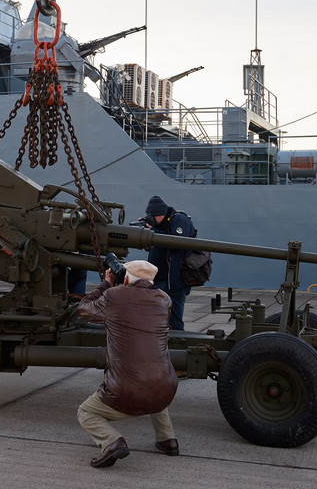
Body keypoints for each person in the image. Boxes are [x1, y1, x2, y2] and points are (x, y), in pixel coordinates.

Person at [77, 259, 179, 468]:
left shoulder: (115, 295)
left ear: (125, 278)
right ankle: (168, 440)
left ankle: (112, 442)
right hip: (167, 387)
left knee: (85, 412)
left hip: (125, 390)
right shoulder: (164, 300)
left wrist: (106, 284)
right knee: (154, 385)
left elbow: (84, 309)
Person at [142, 195, 193, 330]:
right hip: (158, 280)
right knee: (156, 320)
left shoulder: (179, 220)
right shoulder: (162, 225)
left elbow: (177, 243)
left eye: (153, 216)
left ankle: (177, 346)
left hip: (174, 282)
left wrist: (153, 231)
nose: (152, 220)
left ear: (162, 214)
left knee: (174, 322)